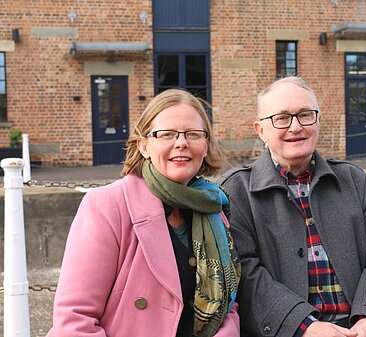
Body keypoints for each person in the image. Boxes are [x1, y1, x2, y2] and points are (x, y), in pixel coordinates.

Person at [218, 76, 366, 337]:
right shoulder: (235, 190)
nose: (295, 127)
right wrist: (304, 326)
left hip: (358, 326)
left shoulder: (353, 180)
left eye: (305, 115)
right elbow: (245, 275)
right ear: (260, 130)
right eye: (282, 118)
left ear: (318, 121)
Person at [47, 89, 241, 337]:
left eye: (193, 134)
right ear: (144, 146)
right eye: (166, 134)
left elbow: (228, 303)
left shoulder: (213, 207)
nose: (181, 142)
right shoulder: (107, 207)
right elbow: (74, 320)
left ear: (205, 145)